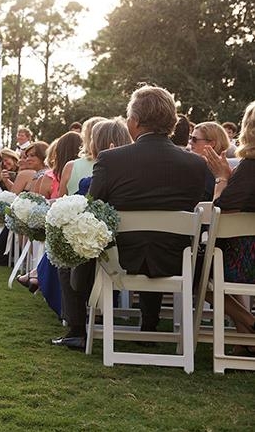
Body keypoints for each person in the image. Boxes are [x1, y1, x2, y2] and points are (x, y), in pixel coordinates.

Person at [53, 85, 212, 351]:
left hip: (119, 257)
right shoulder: (196, 164)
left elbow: (93, 209)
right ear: (172, 123)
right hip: (176, 260)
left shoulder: (111, 159)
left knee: (69, 252)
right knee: (157, 241)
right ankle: (148, 326)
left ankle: (78, 330)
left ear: (134, 122)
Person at [201, 101, 255, 345]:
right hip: (244, 256)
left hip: (245, 263)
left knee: (195, 270)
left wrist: (222, 178)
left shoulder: (250, 167)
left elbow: (219, 215)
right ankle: (244, 342)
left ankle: (250, 324)